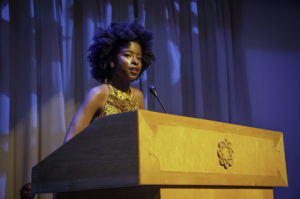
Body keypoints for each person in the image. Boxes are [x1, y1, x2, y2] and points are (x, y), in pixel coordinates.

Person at [64, 21, 155, 143]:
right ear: (112, 60)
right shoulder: (99, 94)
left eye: (139, 58)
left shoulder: (138, 96)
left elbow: (142, 138)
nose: (135, 61)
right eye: (128, 55)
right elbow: (70, 142)